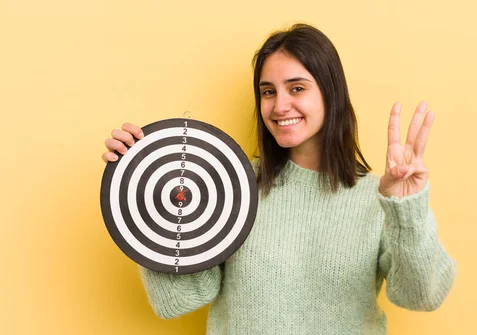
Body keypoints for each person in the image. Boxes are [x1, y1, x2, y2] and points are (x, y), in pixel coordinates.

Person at [102, 23, 457, 334]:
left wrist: (405, 208)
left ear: (330, 94)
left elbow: (421, 296)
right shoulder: (233, 184)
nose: (279, 106)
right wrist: (144, 186)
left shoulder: (380, 199)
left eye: (297, 88)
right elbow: (179, 300)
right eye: (268, 91)